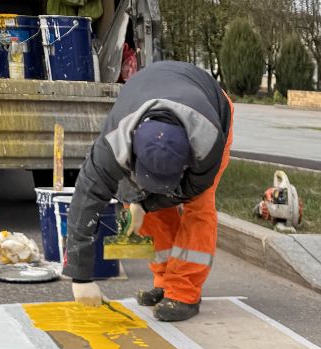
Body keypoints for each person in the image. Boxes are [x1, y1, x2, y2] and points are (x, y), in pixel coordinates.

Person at [66, 60, 233, 322]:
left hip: (210, 103)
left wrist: (145, 205)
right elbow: (85, 200)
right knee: (138, 201)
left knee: (198, 208)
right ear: (132, 153)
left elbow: (191, 188)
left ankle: (184, 291)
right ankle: (165, 281)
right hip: (152, 94)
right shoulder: (114, 143)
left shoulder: (207, 142)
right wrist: (80, 278)